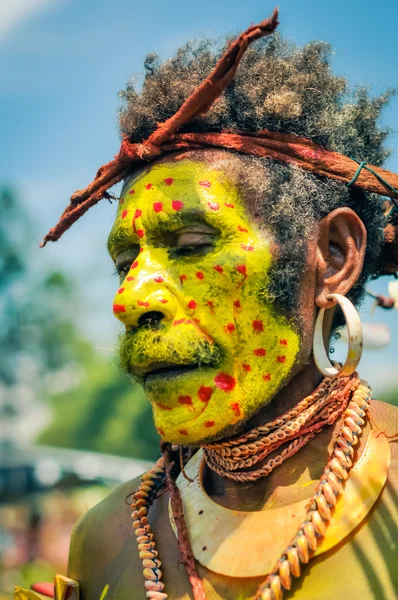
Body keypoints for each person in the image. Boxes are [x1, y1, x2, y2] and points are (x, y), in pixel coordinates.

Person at [15, 11, 398, 600]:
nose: (130, 299)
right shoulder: (110, 536)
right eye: (125, 264)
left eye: (191, 246)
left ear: (335, 256)